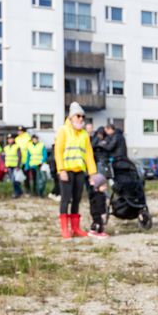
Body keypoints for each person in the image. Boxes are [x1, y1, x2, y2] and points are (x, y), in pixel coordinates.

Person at [54, 102, 98, 239]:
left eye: (82, 117)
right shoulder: (63, 130)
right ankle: (65, 229)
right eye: (78, 116)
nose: (81, 119)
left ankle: (75, 228)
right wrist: (61, 170)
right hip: (66, 171)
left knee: (77, 200)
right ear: (71, 117)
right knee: (65, 200)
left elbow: (89, 154)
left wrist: (92, 173)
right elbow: (58, 151)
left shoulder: (84, 134)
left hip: (79, 172)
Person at [14, 126, 33, 193]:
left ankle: (28, 190)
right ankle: (20, 190)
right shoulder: (17, 139)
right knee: (19, 176)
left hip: (26, 160)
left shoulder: (28, 138)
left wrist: (28, 160)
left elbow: (30, 149)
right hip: (19, 160)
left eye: (20, 131)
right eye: (18, 131)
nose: (18, 132)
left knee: (26, 176)